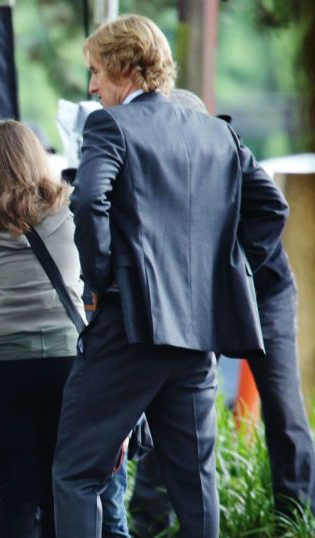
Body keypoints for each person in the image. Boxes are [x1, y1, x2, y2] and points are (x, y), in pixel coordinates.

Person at [52, 14, 289, 538]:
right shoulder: (219, 133)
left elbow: (89, 201)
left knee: (76, 473)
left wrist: (100, 281)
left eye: (95, 71)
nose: (91, 86)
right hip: (198, 335)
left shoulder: (108, 125)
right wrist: (222, 272)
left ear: (124, 66)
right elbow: (272, 208)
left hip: (127, 328)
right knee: (196, 487)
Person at [127, 89, 315, 537]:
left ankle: (297, 520)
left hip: (263, 292)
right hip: (203, 296)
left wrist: (236, 266)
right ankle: (149, 522)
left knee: (284, 408)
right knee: (171, 398)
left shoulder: (228, 156)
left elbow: (273, 211)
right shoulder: (160, 169)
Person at [0, 119, 84, 538]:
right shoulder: (72, 211)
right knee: (61, 489)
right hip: (67, 361)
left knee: (16, 494)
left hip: (6, 364)